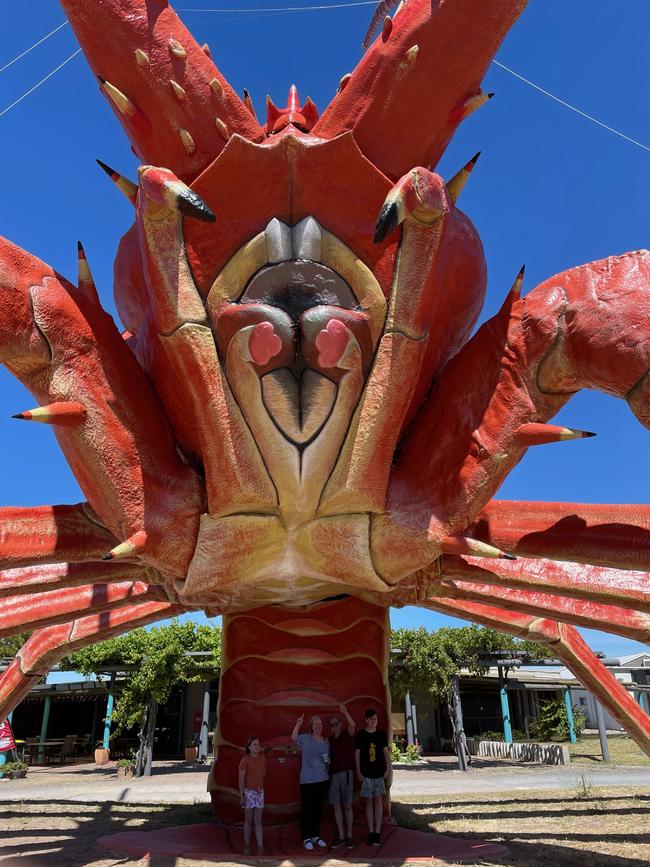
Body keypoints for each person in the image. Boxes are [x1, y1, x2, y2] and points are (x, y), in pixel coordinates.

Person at [291, 713, 330, 851]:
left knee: (318, 810)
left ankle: (315, 835)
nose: (318, 726)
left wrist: (327, 762)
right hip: (307, 780)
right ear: (311, 726)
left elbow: (327, 761)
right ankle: (306, 837)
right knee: (307, 810)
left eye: (320, 724)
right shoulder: (305, 738)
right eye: (315, 724)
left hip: (322, 780)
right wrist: (298, 723)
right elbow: (294, 738)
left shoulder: (326, 742)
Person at [354, 708, 391, 847]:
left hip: (379, 773)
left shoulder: (381, 734)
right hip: (366, 774)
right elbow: (357, 754)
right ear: (366, 720)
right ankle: (371, 832)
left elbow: (385, 752)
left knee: (378, 801)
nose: (374, 721)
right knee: (369, 801)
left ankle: (377, 832)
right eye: (371, 719)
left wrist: (388, 768)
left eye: (376, 719)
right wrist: (358, 772)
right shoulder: (361, 735)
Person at [327, 704, 356, 849]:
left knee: (347, 805)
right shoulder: (329, 741)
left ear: (340, 724)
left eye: (336, 724)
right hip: (333, 776)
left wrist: (345, 712)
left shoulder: (346, 734)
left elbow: (353, 725)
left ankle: (350, 835)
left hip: (346, 774)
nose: (334, 727)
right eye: (331, 725)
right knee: (336, 806)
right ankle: (341, 836)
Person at [238, 735, 266, 855]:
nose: (257, 747)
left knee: (258, 820)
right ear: (249, 747)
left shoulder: (263, 759)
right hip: (248, 792)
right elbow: (241, 779)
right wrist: (243, 794)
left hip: (259, 792)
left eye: (258, 744)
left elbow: (263, 774)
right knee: (248, 820)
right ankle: (247, 845)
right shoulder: (245, 760)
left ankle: (260, 846)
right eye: (254, 744)